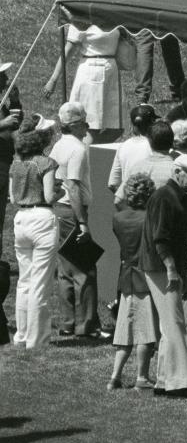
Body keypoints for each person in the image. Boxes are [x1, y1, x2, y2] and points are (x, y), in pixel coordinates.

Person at [140, 159, 187, 398]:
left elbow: (179, 240)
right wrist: (171, 269)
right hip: (160, 266)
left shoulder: (180, 198)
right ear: (177, 172)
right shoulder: (164, 197)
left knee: (171, 324)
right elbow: (161, 238)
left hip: (167, 265)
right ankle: (180, 383)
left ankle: (166, 381)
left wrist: (183, 271)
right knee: (174, 324)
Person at [49, 102, 109, 339]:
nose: (88, 126)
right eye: (84, 122)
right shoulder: (78, 150)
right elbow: (73, 186)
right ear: (74, 125)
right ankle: (87, 326)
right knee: (85, 269)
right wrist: (82, 222)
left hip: (59, 210)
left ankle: (67, 322)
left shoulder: (58, 146)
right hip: (73, 212)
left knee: (65, 269)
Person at [43, 0, 122, 143]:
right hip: (91, 68)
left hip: (111, 69)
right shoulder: (82, 17)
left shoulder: (114, 15)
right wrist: (53, 79)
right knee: (90, 123)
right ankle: (86, 154)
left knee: (116, 125)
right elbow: (68, 51)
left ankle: (96, 152)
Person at [10, 128, 62, 349]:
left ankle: (21, 335)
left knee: (24, 281)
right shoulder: (46, 163)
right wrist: (61, 191)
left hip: (21, 218)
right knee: (40, 283)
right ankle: (37, 339)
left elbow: (13, 198)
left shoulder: (16, 165)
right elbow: (50, 196)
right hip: (42, 217)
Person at [109, 173, 158, 390]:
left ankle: (115, 377)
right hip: (145, 277)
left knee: (124, 330)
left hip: (125, 275)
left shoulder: (118, 218)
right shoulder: (150, 218)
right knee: (146, 332)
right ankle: (142, 377)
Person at [114, 121, 178, 206]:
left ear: (149, 141)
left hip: (142, 217)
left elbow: (118, 201)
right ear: (172, 142)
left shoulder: (137, 167)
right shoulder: (177, 171)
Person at [1, 62, 25, 248]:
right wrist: (3, 123)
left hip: (4, 162)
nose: (8, 80)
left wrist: (15, 102)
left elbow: (14, 123)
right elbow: (7, 123)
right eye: (3, 76)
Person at [108, 105, 157, 193]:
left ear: (132, 124)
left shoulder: (123, 147)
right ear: (152, 123)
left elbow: (112, 184)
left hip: (129, 201)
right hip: (150, 201)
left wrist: (126, 198)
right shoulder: (157, 146)